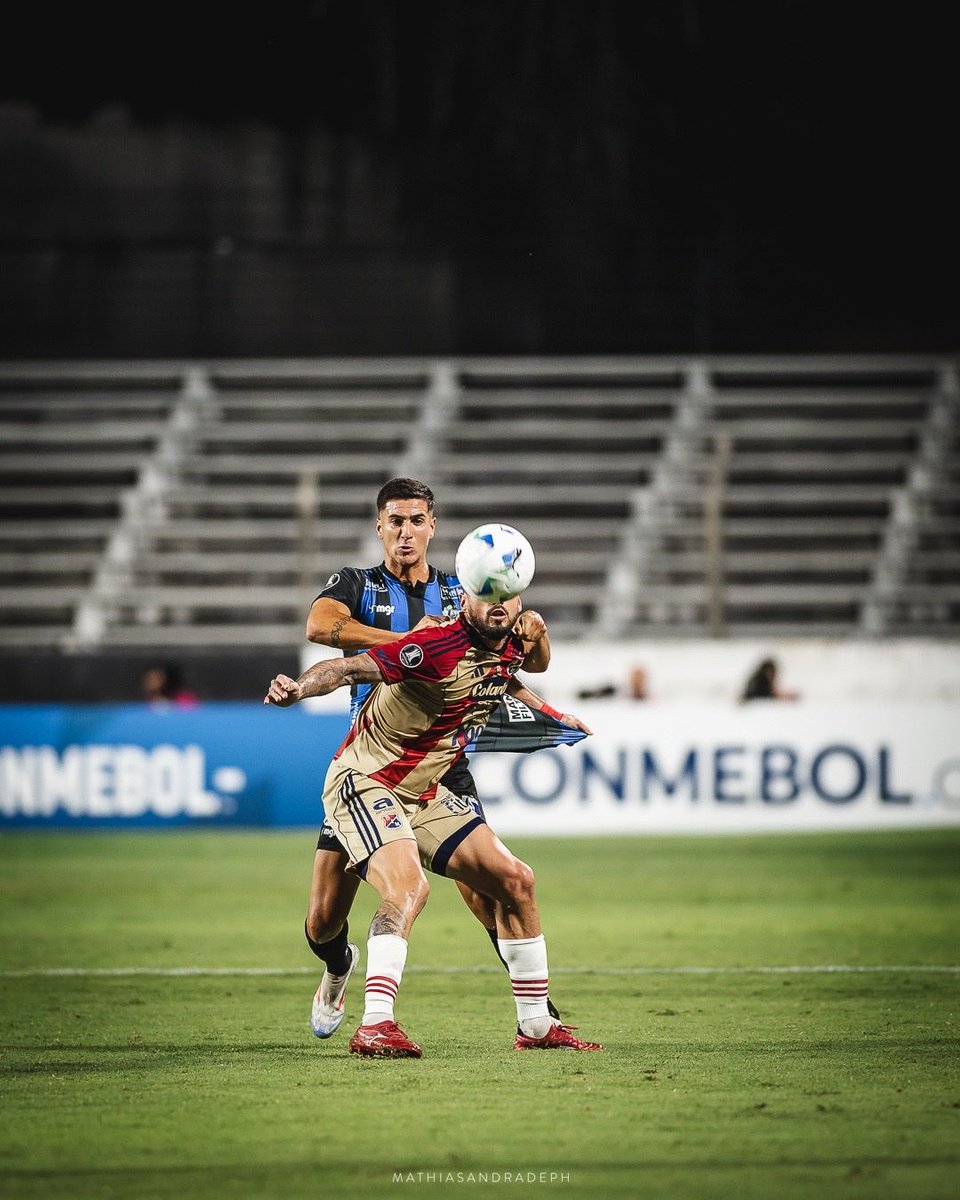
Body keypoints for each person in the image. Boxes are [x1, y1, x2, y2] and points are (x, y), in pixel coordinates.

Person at [265, 584, 604, 1057]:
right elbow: (346, 668)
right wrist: (299, 688)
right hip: (364, 781)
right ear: (465, 599)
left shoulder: (508, 641)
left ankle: (537, 1025)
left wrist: (547, 681)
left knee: (516, 880)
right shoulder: (433, 645)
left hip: (424, 791)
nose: (499, 606)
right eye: (487, 597)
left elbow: (527, 666)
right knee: (394, 894)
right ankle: (375, 1024)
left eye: (509, 597)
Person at [301, 478, 585, 1040]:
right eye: (395, 522)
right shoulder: (359, 584)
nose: (406, 533)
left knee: (493, 883)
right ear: (380, 526)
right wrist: (413, 642)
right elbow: (319, 628)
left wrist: (545, 709)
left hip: (443, 757)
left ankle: (537, 1010)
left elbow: (502, 668)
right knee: (323, 920)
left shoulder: (468, 591)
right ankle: (337, 965)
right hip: (373, 749)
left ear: (433, 527)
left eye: (416, 521)